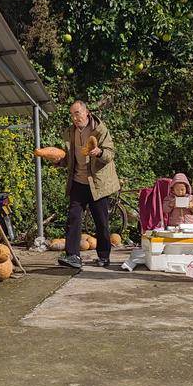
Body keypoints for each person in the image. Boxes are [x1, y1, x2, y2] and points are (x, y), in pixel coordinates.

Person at [55, 100, 120, 269]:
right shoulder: (70, 132)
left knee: (101, 221)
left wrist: (99, 152)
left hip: (97, 183)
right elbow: (69, 159)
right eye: (72, 115)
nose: (75, 118)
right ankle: (73, 256)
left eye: (77, 113)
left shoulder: (99, 130)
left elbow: (110, 154)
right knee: (73, 218)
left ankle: (104, 256)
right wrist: (58, 161)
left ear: (87, 113)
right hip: (78, 181)